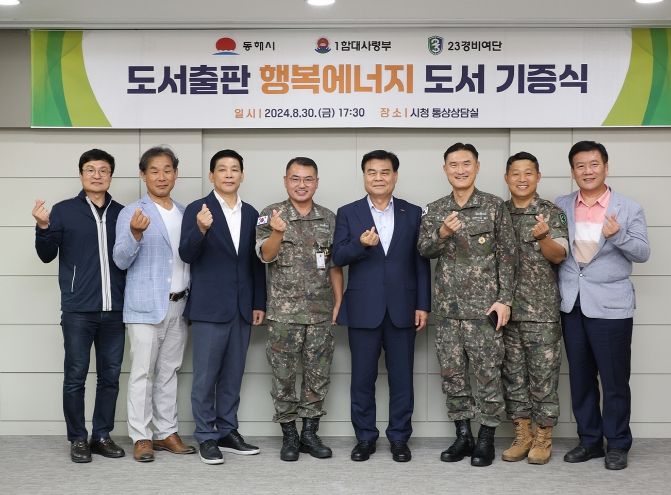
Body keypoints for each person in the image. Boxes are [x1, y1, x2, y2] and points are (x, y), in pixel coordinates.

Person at [418, 142, 517, 467]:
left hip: (484, 311)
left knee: (488, 375)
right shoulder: (435, 209)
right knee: (453, 376)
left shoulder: (493, 206)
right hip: (448, 312)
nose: (460, 170)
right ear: (444, 169)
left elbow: (508, 256)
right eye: (453, 165)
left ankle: (486, 438)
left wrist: (504, 300)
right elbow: (424, 250)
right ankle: (463, 435)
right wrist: (443, 232)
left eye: (466, 164)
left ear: (476, 167)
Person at [556, 141, 650, 471]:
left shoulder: (628, 208)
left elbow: (643, 253)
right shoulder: (561, 205)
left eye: (594, 164)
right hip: (572, 304)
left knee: (614, 380)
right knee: (580, 378)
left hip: (611, 307)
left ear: (606, 168)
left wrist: (619, 235)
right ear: (573, 171)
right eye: (580, 166)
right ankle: (590, 441)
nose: (588, 171)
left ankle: (618, 443)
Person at [332, 150, 431, 463]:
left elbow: (421, 262)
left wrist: (423, 304)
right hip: (364, 307)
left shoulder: (413, 213)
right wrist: (360, 245)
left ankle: (400, 438)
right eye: (372, 172)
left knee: (402, 379)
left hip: (404, 307)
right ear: (364, 176)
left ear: (395, 176)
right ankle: (365, 438)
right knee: (362, 379)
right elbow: (337, 257)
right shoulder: (348, 212)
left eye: (385, 172)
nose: (378, 178)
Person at [32, 149, 126, 463]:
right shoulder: (63, 211)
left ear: (111, 175)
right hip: (78, 311)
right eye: (90, 169)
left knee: (110, 377)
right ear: (81, 174)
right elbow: (46, 255)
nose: (97, 175)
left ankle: (101, 436)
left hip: (115, 310)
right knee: (75, 377)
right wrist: (43, 228)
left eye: (103, 170)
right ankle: (78, 439)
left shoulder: (122, 213)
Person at [179, 149, 266, 465]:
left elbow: (256, 263)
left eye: (234, 169)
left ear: (242, 175)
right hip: (209, 308)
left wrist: (258, 302)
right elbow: (187, 254)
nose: (229, 174)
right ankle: (206, 435)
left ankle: (228, 431)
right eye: (222, 169)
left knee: (232, 375)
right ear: (211, 175)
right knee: (205, 377)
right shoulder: (197, 209)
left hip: (242, 308)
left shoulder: (251, 213)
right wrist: (201, 229)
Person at [256, 157, 343, 461]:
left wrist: (339, 302)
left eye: (308, 179)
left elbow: (334, 266)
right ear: (285, 181)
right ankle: (290, 435)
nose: (301, 185)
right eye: (295, 178)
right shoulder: (270, 214)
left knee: (318, 375)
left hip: (320, 314)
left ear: (316, 183)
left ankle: (309, 433)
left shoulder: (329, 218)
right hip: (284, 314)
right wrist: (277, 232)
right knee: (283, 376)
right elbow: (266, 256)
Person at [113, 146, 195, 462]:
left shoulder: (186, 213)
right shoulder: (132, 212)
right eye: (154, 171)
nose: (161, 177)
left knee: (169, 372)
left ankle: (166, 432)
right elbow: (120, 259)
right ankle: (141, 436)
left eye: (167, 170)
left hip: (180, 305)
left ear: (176, 173)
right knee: (142, 373)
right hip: (145, 306)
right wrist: (135, 233)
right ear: (143, 175)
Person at [501, 151, 568, 464]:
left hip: (541, 313)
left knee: (543, 379)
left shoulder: (550, 213)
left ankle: (543, 437)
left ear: (538, 177)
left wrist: (543, 238)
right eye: (516, 173)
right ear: (506, 178)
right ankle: (523, 435)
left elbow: (559, 256)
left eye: (528, 173)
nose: (522, 179)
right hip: (505, 312)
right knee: (513, 377)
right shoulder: (498, 213)